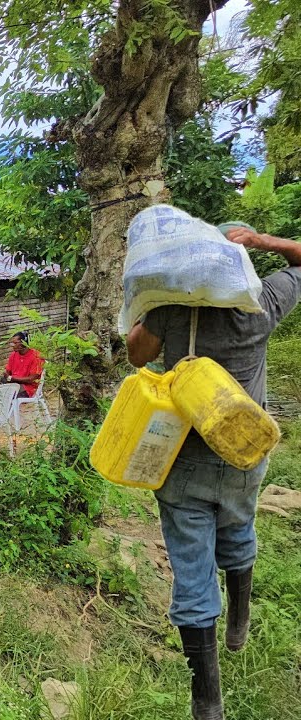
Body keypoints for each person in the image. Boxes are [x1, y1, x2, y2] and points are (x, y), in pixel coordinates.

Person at [127, 225, 301, 720]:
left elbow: (137, 354)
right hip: (245, 454)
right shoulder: (263, 303)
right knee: (240, 526)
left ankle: (207, 702)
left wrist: (147, 304)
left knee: (191, 566)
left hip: (181, 458)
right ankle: (239, 625)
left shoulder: (172, 307)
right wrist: (264, 241)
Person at [1, 331, 45, 398]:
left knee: (5, 396)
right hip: (14, 383)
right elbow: (8, 372)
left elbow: (31, 379)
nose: (12, 345)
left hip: (28, 388)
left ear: (23, 343)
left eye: (15, 343)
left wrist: (11, 378)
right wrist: (5, 376)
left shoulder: (36, 356)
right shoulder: (13, 355)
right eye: (12, 343)